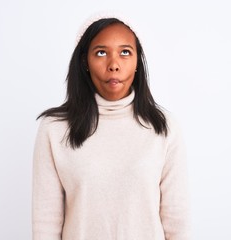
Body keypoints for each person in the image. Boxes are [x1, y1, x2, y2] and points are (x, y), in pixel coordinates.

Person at [32, 17, 190, 240]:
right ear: (84, 61)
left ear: (137, 62)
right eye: (101, 53)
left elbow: (177, 223)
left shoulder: (164, 127)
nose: (114, 64)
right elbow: (45, 226)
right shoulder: (55, 129)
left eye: (125, 52)